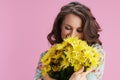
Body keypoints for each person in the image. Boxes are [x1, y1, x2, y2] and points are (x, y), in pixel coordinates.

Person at [34, 1, 105, 80]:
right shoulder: (46, 57)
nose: (72, 35)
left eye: (79, 30)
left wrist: (48, 78)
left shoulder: (95, 54)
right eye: (68, 28)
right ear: (60, 26)